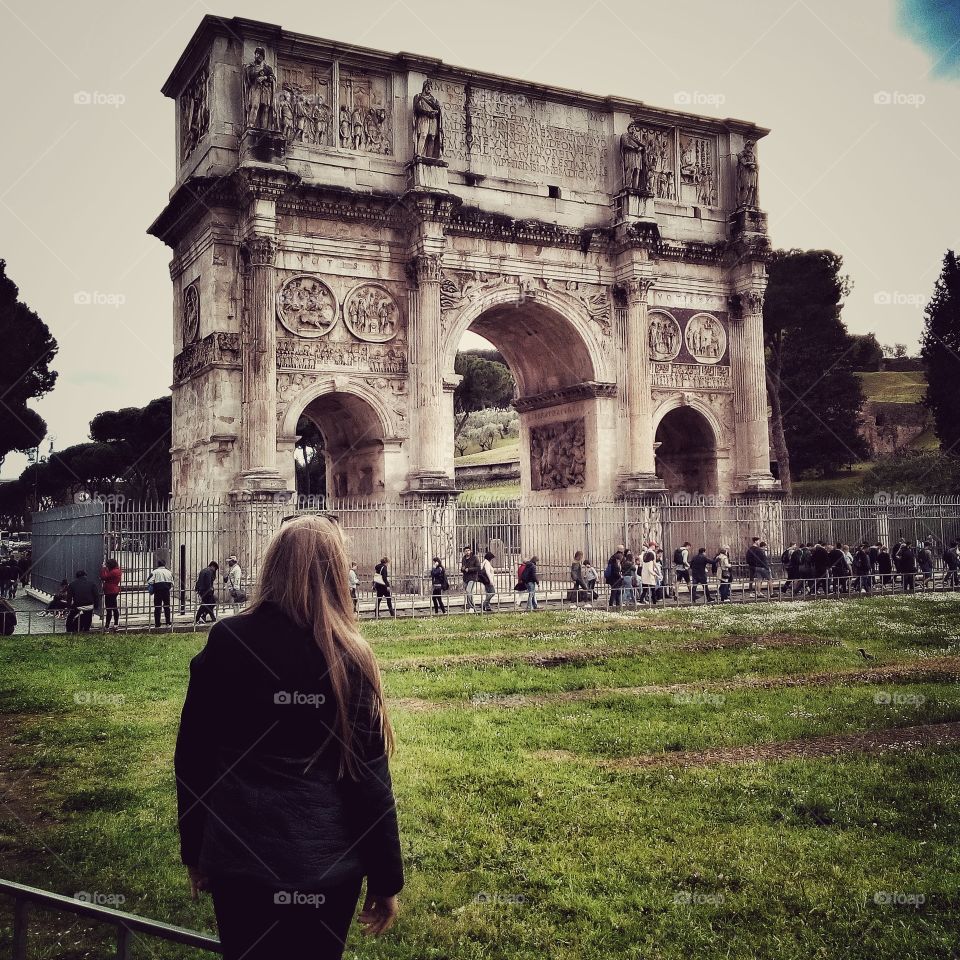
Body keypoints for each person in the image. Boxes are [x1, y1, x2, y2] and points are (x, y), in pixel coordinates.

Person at [174, 515, 403, 960]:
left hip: (241, 858)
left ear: (271, 566)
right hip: (327, 866)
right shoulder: (350, 655)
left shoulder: (227, 640)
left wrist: (195, 849)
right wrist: (385, 879)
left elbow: (194, 757)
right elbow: (369, 780)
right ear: (337, 573)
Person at [148, 559, 174, 629]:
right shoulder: (169, 572)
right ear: (164, 564)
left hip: (158, 591)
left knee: (157, 607)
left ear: (158, 564)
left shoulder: (154, 572)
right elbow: (172, 582)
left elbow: (149, 581)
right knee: (167, 607)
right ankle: (168, 622)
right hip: (166, 591)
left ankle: (157, 623)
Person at [100, 559, 122, 632]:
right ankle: (115, 624)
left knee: (109, 609)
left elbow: (104, 577)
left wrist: (103, 568)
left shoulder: (113, 572)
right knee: (114, 607)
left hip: (110, 591)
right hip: (114, 590)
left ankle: (107, 625)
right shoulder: (117, 570)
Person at [460, 547, 480, 612]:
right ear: (464, 552)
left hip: (472, 577)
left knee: (469, 591)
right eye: (466, 551)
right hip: (465, 578)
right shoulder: (463, 558)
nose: (467, 552)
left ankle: (471, 607)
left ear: (470, 551)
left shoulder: (474, 558)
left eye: (468, 550)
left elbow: (478, 568)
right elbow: (462, 568)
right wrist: (462, 569)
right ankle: (471, 605)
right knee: (469, 593)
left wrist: (469, 569)